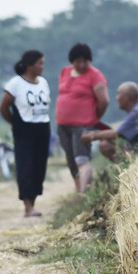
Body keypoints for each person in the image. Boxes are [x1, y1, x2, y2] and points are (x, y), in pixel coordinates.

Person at [0, 50, 52, 217]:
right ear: (30, 65)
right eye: (40, 63)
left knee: (39, 166)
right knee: (25, 166)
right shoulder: (16, 83)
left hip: (43, 127)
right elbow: (4, 107)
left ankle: (33, 202)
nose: (42, 67)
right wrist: (14, 123)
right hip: (24, 128)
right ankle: (27, 207)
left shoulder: (43, 82)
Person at [54, 43, 109, 193]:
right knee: (71, 161)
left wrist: (93, 117)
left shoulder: (95, 75)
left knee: (82, 160)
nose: (82, 64)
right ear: (72, 61)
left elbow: (104, 101)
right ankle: (78, 192)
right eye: (78, 61)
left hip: (83, 126)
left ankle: (84, 193)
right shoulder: (65, 72)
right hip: (63, 124)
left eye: (85, 61)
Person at [80, 82, 138, 162]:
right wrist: (96, 134)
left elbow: (116, 134)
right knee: (107, 140)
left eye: (119, 94)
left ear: (127, 97)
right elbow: (119, 135)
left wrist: (91, 136)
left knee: (105, 145)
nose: (116, 98)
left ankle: (126, 169)